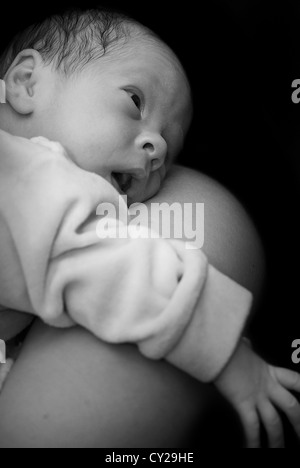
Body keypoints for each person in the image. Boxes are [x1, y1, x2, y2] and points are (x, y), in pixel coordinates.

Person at [0, 7, 299, 448]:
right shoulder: (36, 178)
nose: (156, 147)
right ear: (26, 81)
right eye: (135, 101)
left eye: (170, 149)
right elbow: (118, 268)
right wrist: (227, 355)